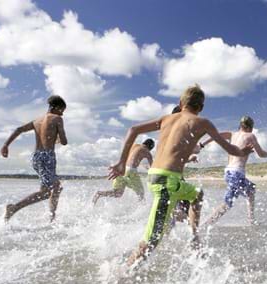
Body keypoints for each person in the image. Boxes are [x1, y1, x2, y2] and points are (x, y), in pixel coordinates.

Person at [108, 85, 253, 267]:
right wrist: (243, 151)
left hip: (160, 177)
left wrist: (122, 162)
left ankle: (194, 237)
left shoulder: (166, 118)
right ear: (201, 107)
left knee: (196, 194)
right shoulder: (202, 122)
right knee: (151, 241)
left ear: (180, 103)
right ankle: (120, 277)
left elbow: (133, 129)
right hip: (166, 182)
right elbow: (230, 148)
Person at [200, 115, 267, 227]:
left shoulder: (232, 134)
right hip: (236, 173)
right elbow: (260, 154)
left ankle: (251, 220)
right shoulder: (250, 136)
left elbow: (214, 136)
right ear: (250, 127)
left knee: (250, 190)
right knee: (228, 203)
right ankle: (205, 225)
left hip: (228, 173)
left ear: (240, 125)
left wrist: (202, 144)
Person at [1, 95, 68, 222]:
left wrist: (5, 145)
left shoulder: (37, 121)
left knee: (55, 187)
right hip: (47, 156)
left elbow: (19, 129)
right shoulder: (57, 119)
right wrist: (58, 137)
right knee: (49, 191)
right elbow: (64, 141)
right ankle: (14, 208)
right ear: (57, 108)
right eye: (62, 111)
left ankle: (52, 217)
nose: (62, 114)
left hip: (36, 157)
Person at [92, 138, 154, 205]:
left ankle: (99, 193)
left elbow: (132, 158)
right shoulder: (147, 152)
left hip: (122, 169)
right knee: (141, 193)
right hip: (131, 171)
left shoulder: (135, 146)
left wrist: (144, 166)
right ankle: (141, 211)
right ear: (150, 147)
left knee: (118, 193)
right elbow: (153, 167)